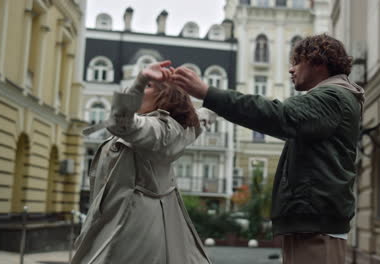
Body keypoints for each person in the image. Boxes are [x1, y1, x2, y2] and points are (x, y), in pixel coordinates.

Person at [172, 34, 365, 264]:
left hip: (317, 224)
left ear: (319, 63)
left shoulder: (331, 98)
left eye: (297, 62)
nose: (291, 70)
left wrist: (208, 93)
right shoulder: (332, 98)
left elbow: (276, 115)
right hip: (313, 221)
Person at [72, 61, 213, 264]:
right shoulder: (168, 130)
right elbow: (204, 116)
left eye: (148, 87)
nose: (138, 91)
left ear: (164, 98)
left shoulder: (159, 130)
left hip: (129, 234)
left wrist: (140, 80)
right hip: (128, 227)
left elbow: (120, 122)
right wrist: (212, 102)